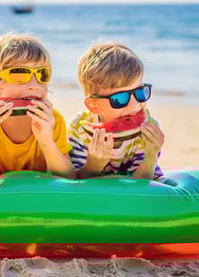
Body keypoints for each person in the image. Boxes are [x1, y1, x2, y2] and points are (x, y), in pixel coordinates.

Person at [0, 33, 74, 181]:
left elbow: (68, 179)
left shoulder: (53, 121)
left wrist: (47, 143)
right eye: (19, 74)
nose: (34, 86)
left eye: (42, 74)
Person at [68, 42, 164, 180]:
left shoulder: (148, 129)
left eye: (140, 92)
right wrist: (94, 165)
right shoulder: (79, 128)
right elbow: (76, 181)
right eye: (120, 98)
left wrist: (150, 155)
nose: (134, 105)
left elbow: (143, 185)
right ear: (93, 105)